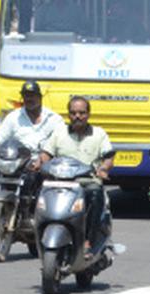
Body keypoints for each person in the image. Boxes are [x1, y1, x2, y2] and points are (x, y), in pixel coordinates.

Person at [40, 96, 114, 254]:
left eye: (82, 113)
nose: (77, 116)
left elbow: (108, 156)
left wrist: (104, 168)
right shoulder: (59, 133)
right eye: (73, 113)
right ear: (68, 115)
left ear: (88, 114)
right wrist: (40, 164)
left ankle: (89, 240)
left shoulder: (99, 134)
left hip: (87, 182)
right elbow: (46, 154)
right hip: (60, 183)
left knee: (95, 193)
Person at [0, 80, 63, 193]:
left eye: (32, 96)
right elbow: (0, 137)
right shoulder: (13, 117)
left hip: (45, 164)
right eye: (26, 96)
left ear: (40, 97)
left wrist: (45, 158)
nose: (29, 99)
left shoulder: (54, 119)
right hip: (19, 163)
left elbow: (62, 141)